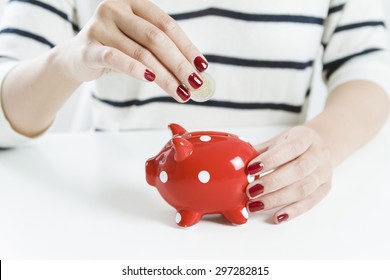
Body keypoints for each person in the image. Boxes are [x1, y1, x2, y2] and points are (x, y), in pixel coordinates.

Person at [0, 0, 389, 224]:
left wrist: (323, 143)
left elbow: (371, 67)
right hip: (115, 214)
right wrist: (67, 62)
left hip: (270, 217)